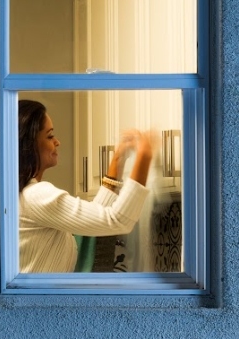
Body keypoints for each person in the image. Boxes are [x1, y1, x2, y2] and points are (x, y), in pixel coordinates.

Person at [16, 99, 158, 274]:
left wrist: (118, 160)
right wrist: (144, 156)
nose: (57, 142)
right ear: (29, 145)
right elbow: (118, 220)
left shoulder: (23, 194)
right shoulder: (36, 196)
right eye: (50, 136)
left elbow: (96, 217)